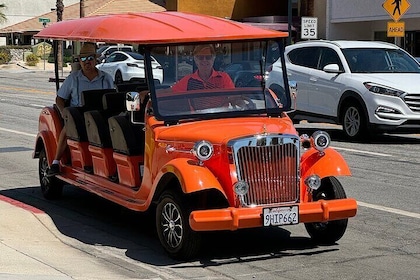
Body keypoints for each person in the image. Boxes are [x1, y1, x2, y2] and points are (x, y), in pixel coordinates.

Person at [47, 42, 114, 176]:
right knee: (67, 129)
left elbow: (112, 97)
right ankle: (55, 162)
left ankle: (109, 166)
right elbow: (59, 99)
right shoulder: (73, 78)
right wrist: (65, 114)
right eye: (83, 59)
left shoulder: (106, 78)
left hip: (99, 115)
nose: (86, 62)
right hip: (77, 115)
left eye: (90, 58)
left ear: (96, 60)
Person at [170, 44, 235, 110]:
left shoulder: (223, 78)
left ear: (213, 59)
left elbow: (234, 97)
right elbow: (169, 92)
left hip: (220, 118)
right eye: (201, 57)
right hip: (197, 119)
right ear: (196, 60)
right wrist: (158, 92)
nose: (204, 60)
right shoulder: (188, 80)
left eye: (208, 57)